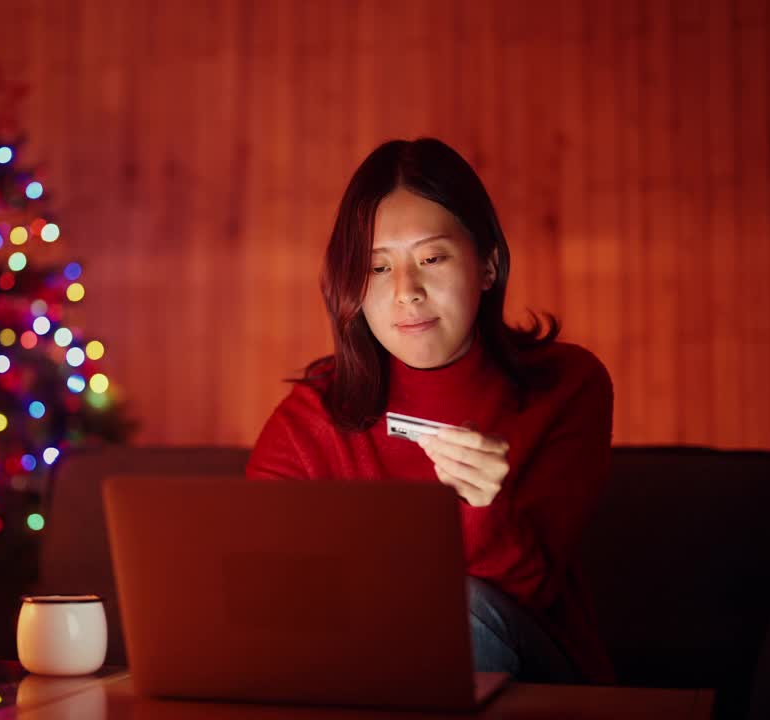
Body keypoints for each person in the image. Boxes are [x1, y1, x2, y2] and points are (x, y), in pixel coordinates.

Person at [246, 138, 615, 684]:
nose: (406, 292)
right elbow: (258, 581)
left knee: (454, 610)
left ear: (487, 265)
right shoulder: (312, 416)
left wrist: (481, 507)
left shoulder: (568, 385)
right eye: (376, 268)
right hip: (349, 668)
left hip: (533, 665)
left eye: (432, 258)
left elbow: (530, 590)